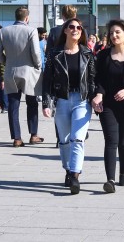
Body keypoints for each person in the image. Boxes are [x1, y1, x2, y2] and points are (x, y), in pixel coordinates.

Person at [41, 16, 96, 194]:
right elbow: (47, 80)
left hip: (81, 100)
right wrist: (47, 103)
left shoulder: (87, 54)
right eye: (71, 27)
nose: (75, 30)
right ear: (65, 30)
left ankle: (74, 176)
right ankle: (67, 169)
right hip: (62, 100)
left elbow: (92, 79)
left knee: (77, 139)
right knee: (64, 141)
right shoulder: (54, 54)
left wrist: (95, 98)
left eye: (79, 28)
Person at [92, 19, 124, 193]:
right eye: (111, 33)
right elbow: (98, 78)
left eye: (117, 32)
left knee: (123, 141)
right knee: (111, 141)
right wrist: (98, 93)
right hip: (107, 104)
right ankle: (110, 180)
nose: (114, 36)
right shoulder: (104, 55)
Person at [0, 6, 44, 147]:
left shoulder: (4, 31)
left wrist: (7, 62)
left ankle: (17, 138)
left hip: (11, 71)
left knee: (13, 105)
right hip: (29, 71)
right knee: (32, 103)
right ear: (27, 18)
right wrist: (38, 66)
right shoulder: (31, 30)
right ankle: (33, 134)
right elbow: (35, 52)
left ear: (15, 16)